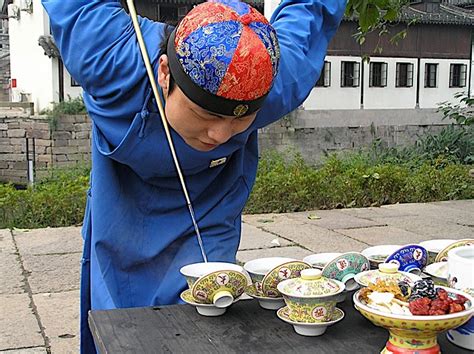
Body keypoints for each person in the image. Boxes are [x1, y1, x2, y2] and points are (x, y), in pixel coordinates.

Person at [41, 0, 346, 352]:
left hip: (208, 210)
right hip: (120, 209)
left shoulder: (275, 83)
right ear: (165, 73)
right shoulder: (108, 56)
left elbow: (312, 8)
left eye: (237, 120)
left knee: (204, 316)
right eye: (204, 113)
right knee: (118, 326)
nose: (218, 134)